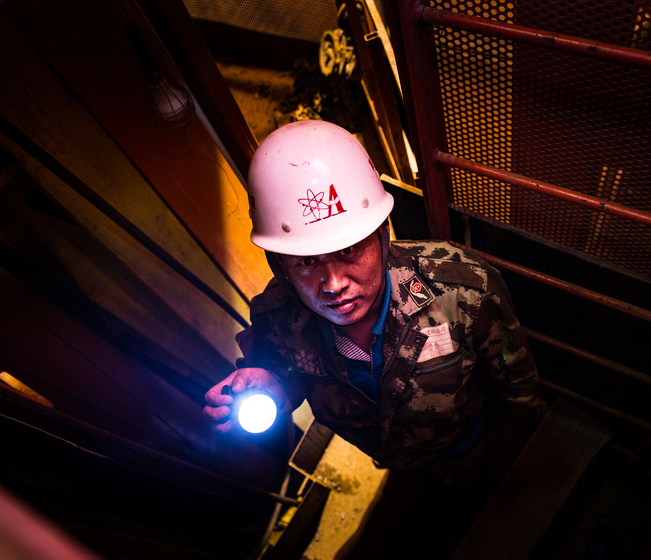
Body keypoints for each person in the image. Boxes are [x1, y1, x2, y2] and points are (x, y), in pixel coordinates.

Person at [203, 119, 546, 486]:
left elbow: (518, 389)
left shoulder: (462, 291)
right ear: (279, 264)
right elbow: (290, 376)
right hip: (397, 465)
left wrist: (520, 463)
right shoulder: (276, 318)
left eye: (348, 250)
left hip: (474, 448)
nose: (333, 284)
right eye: (306, 261)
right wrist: (275, 384)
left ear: (382, 234)